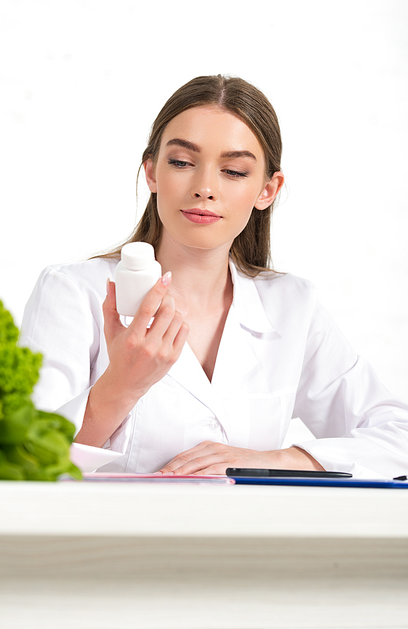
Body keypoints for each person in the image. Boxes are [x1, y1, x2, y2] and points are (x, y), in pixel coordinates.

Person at [20, 75, 408, 477]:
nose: (205, 188)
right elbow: (24, 459)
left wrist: (276, 460)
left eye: (235, 171)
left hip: (247, 539)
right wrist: (121, 386)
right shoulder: (73, 292)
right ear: (152, 172)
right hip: (116, 539)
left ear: (268, 190)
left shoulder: (293, 306)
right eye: (182, 163)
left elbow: (399, 438)